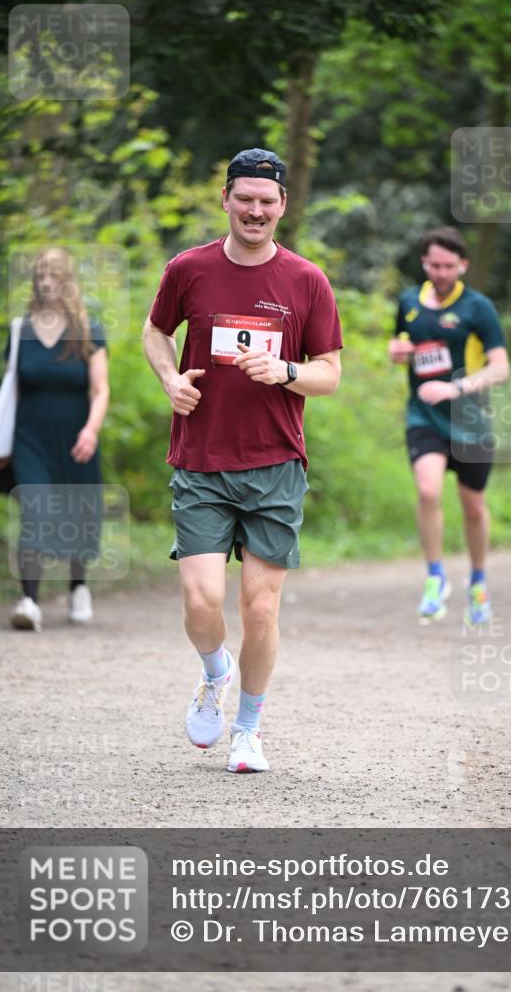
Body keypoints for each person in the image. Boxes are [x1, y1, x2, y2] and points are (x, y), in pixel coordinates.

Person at [143, 147, 342, 774]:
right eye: (244, 198)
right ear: (225, 199)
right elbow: (154, 333)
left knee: (260, 605)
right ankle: (213, 673)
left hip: (275, 462)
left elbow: (330, 374)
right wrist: (170, 379)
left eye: (267, 201)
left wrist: (285, 370)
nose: (255, 210)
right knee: (201, 602)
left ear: (283, 206)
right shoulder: (189, 269)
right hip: (201, 459)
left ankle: (248, 729)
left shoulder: (306, 280)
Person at [388, 226, 509, 626]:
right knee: (427, 489)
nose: (440, 273)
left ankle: (477, 580)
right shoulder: (408, 300)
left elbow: (500, 367)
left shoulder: (479, 308)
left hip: (470, 419)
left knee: (473, 507)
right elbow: (403, 347)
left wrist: (456, 387)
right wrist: (397, 351)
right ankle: (435, 577)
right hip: (424, 415)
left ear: (463, 265)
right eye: (434, 265)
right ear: (424, 263)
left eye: (448, 266)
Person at [9, 247, 109, 632]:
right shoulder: (21, 329)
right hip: (28, 435)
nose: (47, 281)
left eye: (54, 275)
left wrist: (91, 430)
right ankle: (29, 600)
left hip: (76, 434)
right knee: (35, 509)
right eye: (41, 275)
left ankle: (78, 585)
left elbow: (100, 390)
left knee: (79, 511)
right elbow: (9, 390)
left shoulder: (88, 329)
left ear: (67, 280)